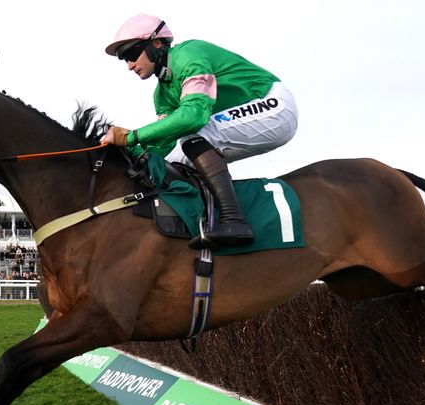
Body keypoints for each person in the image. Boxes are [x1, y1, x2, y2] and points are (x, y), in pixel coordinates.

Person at [101, 14, 299, 250]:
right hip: (246, 117)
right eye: (124, 59)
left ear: (156, 44)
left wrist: (132, 136)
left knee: (193, 138)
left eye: (132, 54)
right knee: (174, 163)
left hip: (274, 105)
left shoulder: (187, 55)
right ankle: (203, 222)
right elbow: (164, 144)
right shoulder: (161, 94)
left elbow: (194, 116)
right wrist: (128, 152)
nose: (129, 65)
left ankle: (234, 221)